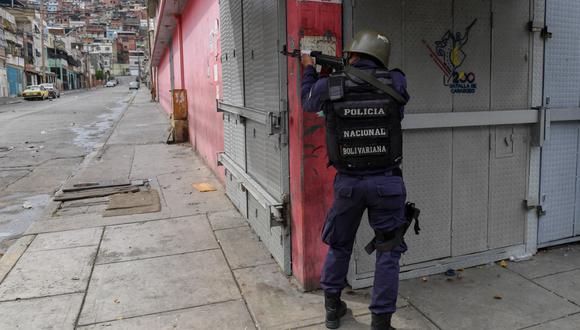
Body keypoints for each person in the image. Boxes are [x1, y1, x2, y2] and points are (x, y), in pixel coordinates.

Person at [301, 30, 410, 330]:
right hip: (386, 184)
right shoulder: (395, 82)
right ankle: (381, 323)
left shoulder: (330, 85)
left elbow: (308, 102)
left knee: (340, 246)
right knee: (388, 253)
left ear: (353, 55)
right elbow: (399, 95)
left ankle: (332, 310)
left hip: (348, 184)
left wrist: (310, 71)